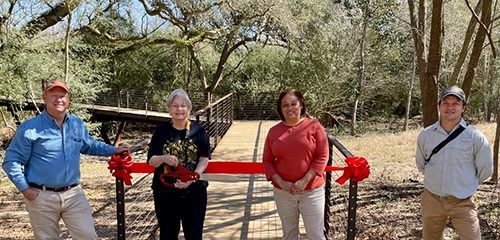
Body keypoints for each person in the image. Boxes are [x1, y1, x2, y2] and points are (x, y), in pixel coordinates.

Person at [2, 80, 128, 239]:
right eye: (53, 95)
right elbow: (11, 161)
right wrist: (25, 189)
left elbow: (89, 145)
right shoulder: (29, 128)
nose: (58, 99)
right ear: (44, 98)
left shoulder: (76, 124)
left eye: (62, 96)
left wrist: (114, 150)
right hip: (41, 196)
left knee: (87, 235)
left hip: (73, 194)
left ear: (68, 100)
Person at [415, 86, 493, 240]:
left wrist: (465, 185)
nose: (450, 107)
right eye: (446, 102)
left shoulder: (475, 136)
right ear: (439, 106)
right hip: (432, 200)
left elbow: (486, 169)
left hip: (462, 202)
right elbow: (421, 165)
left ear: (463, 108)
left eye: (456, 103)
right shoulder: (426, 135)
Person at [262, 89, 329, 240]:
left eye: (293, 104)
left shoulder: (314, 126)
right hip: (283, 192)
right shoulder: (274, 132)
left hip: (312, 191)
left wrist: (305, 180)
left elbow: (322, 155)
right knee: (289, 234)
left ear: (301, 105)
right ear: (280, 108)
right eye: (285, 105)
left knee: (316, 235)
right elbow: (267, 160)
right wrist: (281, 182)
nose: (290, 108)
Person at [147, 88, 210, 240]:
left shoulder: (199, 131)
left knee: (194, 236)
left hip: (194, 192)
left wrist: (192, 178)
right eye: (174, 106)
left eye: (183, 106)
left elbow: (204, 158)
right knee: (167, 235)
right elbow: (151, 161)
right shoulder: (160, 131)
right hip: (165, 193)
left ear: (189, 109)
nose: (179, 109)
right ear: (169, 109)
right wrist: (163, 158)